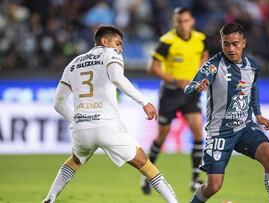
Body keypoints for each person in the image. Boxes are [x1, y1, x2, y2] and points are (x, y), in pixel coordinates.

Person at [42, 25, 178, 203]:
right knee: (145, 164)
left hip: (81, 129)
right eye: (118, 43)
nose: (120, 48)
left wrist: (75, 120)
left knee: (75, 160)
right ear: (104, 41)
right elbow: (116, 78)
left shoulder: (73, 63)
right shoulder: (110, 54)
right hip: (107, 126)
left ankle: (49, 198)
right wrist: (144, 102)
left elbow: (58, 104)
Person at [185, 23, 269, 203]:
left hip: (245, 127)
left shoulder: (252, 66)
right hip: (220, 132)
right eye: (226, 44)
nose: (231, 49)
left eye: (235, 43)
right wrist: (197, 86)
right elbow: (188, 87)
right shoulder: (213, 66)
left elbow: (253, 89)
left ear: (243, 43)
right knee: (213, 186)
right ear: (221, 43)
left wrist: (258, 114)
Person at [141, 7, 209, 193]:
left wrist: (200, 72)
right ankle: (147, 175)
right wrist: (174, 80)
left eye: (186, 21)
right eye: (179, 21)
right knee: (162, 136)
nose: (183, 24)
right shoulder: (167, 41)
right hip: (170, 93)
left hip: (190, 93)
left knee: (197, 130)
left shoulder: (200, 39)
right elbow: (152, 67)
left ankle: (195, 178)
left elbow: (204, 55)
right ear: (174, 22)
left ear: (192, 21)